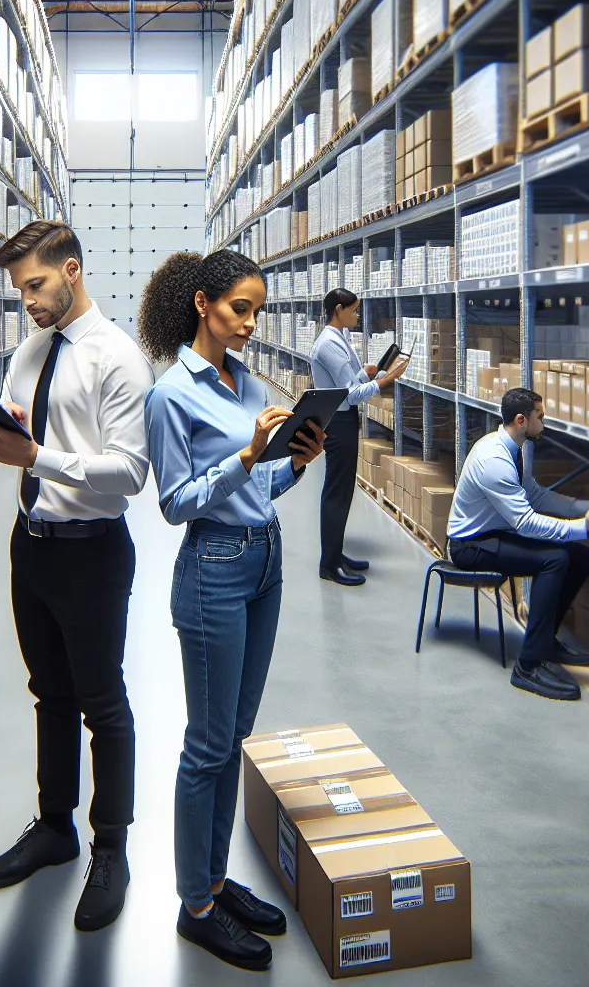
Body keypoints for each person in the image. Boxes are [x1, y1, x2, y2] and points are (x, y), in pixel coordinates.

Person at [0, 221, 154, 932]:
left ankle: (112, 849)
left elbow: (130, 473)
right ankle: (54, 826)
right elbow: (22, 424)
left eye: (36, 286)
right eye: (19, 291)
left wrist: (35, 454)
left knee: (103, 705)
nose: (28, 303)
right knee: (49, 693)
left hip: (92, 551)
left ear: (71, 271)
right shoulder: (29, 352)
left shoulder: (118, 359)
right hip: (32, 544)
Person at [139, 250, 327, 970]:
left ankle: (217, 882)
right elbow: (175, 503)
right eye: (239, 308)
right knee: (207, 747)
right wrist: (247, 457)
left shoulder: (247, 381)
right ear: (201, 305)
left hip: (266, 561)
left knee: (237, 736)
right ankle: (195, 907)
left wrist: (294, 460)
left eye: (258, 310)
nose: (250, 323)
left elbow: (261, 490)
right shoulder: (170, 396)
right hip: (213, 568)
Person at [446, 387, 589, 702]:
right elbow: (526, 523)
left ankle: (545, 640)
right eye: (541, 417)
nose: (544, 424)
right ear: (522, 420)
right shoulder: (494, 460)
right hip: (470, 545)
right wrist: (582, 527)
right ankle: (528, 665)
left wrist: (582, 505)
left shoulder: (512, 448)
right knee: (555, 559)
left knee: (580, 558)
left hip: (494, 533)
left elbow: (533, 495)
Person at [309, 288, 407, 586]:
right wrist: (386, 380)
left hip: (342, 419)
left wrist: (369, 372)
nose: (358, 315)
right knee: (336, 492)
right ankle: (329, 564)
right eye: (353, 310)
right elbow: (350, 395)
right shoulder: (328, 344)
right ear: (338, 310)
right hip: (338, 421)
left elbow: (350, 381)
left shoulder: (338, 340)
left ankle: (336, 555)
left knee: (343, 490)